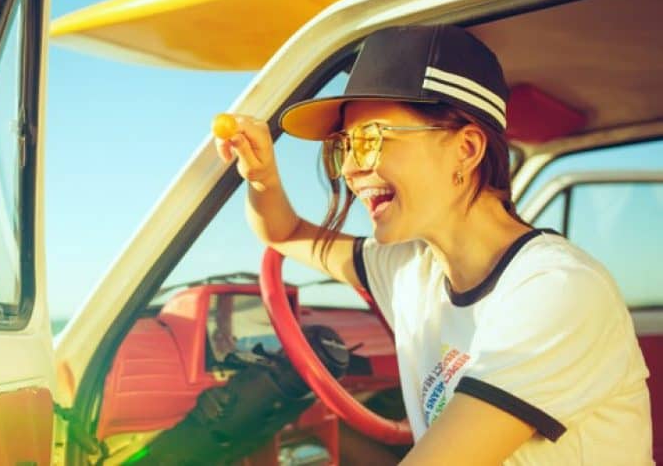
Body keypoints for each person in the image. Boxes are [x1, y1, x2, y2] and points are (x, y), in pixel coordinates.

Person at [214, 25, 652, 465]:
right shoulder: (410, 269)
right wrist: (261, 177)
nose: (348, 168)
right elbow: (284, 233)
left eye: (369, 140)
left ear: (466, 149)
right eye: (343, 147)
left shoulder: (556, 290)